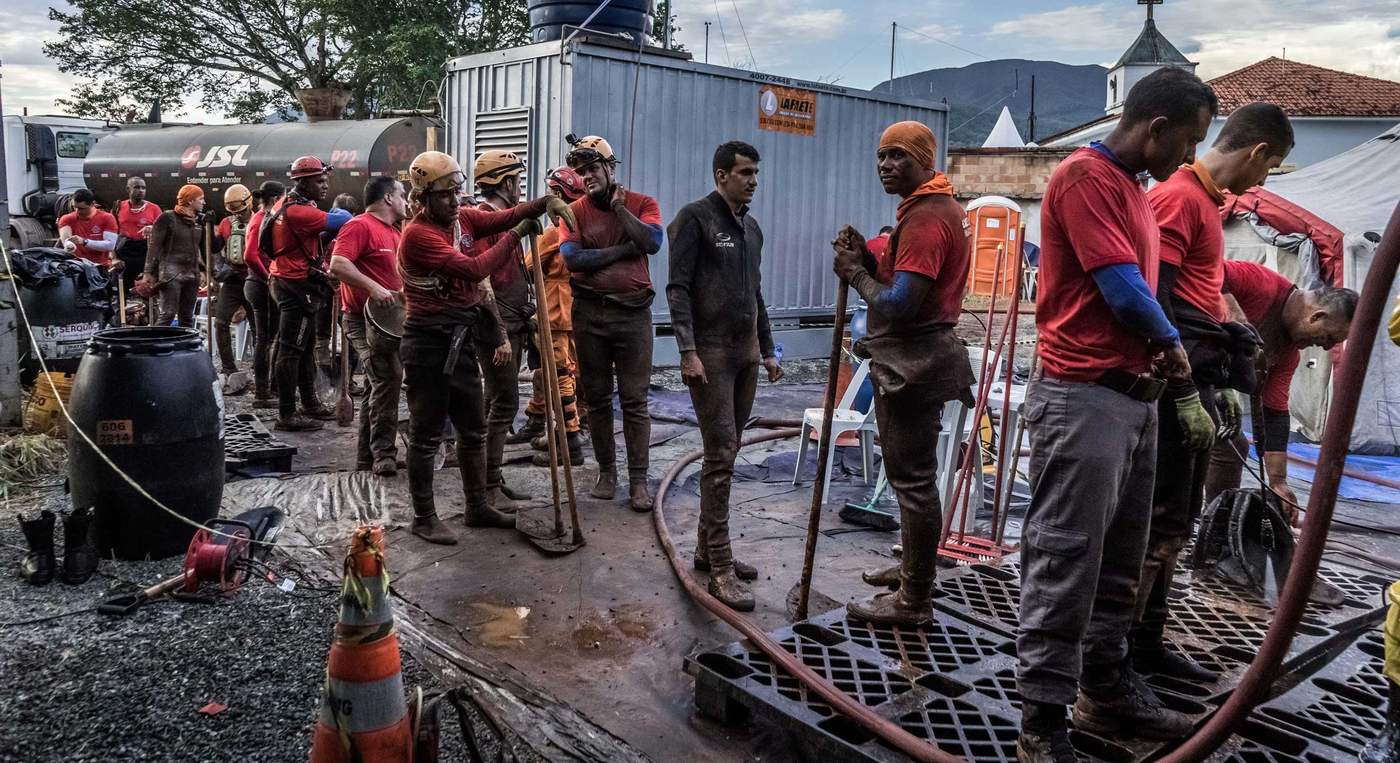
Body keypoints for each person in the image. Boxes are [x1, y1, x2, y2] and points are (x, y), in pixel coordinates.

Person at [1014, 67, 1216, 762]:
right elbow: (1125, 291)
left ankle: (1104, 684)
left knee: (1120, 563)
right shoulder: (1085, 178)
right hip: (1083, 397)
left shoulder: (1135, 192)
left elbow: (1141, 292)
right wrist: (1172, 344)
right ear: (1155, 127)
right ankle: (1042, 720)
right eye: (1187, 142)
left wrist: (1162, 360)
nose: (1189, 158)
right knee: (1066, 558)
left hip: (1132, 401)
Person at [1132, 103, 1297, 684]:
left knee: (1174, 526)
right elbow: (1157, 301)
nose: (1264, 180)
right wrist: (1183, 387)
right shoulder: (1178, 200)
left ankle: (1147, 644)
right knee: (1158, 526)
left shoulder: (1204, 205)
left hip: (1198, 377)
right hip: (1177, 383)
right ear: (1256, 154)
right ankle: (1125, 658)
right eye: (1270, 168)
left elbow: (1198, 295)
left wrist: (1225, 347)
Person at [829, 123, 974, 625]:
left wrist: (855, 274)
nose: (885, 165)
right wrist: (869, 258)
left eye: (897, 156)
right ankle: (913, 571)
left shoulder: (928, 218)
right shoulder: (931, 208)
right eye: (880, 156)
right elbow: (901, 282)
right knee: (913, 479)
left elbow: (902, 303)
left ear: (923, 160)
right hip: (918, 354)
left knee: (912, 483)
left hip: (916, 358)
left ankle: (914, 599)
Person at [397, 150, 573, 545]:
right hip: (428, 340)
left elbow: (503, 217)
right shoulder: (419, 235)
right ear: (424, 198)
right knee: (426, 434)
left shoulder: (462, 218)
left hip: (459, 336)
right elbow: (476, 269)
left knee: (474, 427)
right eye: (445, 195)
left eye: (457, 192)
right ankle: (424, 517)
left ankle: (477, 505)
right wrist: (517, 235)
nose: (454, 201)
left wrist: (544, 203)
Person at [667, 141, 784, 611]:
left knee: (729, 451)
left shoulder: (752, 229)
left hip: (746, 355)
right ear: (721, 176)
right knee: (721, 452)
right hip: (710, 357)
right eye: (745, 173)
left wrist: (770, 350)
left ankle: (704, 549)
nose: (753, 180)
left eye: (756, 172)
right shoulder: (694, 219)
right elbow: (677, 289)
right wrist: (687, 351)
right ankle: (719, 565)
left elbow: (756, 294)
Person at [1203, 261, 1356, 521]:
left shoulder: (1287, 355)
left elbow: (1274, 413)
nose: (1327, 348)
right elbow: (1208, 268)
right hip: (1170, 359)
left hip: (1208, 382)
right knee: (1215, 440)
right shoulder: (1262, 283)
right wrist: (1233, 313)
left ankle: (1215, 522)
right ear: (1316, 316)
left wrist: (1278, 482)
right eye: (1330, 337)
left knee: (1230, 443)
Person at [560, 135, 664, 512]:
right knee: (598, 397)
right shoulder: (574, 211)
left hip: (634, 315)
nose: (586, 176)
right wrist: (624, 249)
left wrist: (622, 212)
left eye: (592, 169)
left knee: (635, 400)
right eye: (581, 171)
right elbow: (573, 259)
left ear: (610, 168)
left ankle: (639, 481)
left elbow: (651, 241)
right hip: (590, 315)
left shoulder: (641, 203)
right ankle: (607, 472)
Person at [264, 156, 352, 432]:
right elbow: (343, 219)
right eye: (320, 181)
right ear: (302, 182)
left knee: (302, 349)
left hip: (290, 280)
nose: (325, 186)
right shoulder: (299, 212)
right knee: (291, 351)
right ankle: (287, 413)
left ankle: (310, 403)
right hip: (295, 286)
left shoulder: (288, 206)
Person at [328, 176, 408, 476]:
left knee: (380, 383)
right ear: (388, 198)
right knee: (387, 378)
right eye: (402, 195)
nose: (405, 201)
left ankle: (367, 456)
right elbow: (338, 264)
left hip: (390, 323)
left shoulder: (395, 233)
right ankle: (383, 454)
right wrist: (374, 288)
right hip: (362, 321)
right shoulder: (359, 226)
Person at [471, 150, 537, 506]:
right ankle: (488, 486)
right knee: (505, 402)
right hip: (496, 327)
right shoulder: (485, 221)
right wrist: (499, 334)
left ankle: (489, 478)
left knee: (492, 400)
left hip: (512, 321)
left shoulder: (502, 220)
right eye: (516, 180)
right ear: (506, 182)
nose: (519, 187)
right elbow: (483, 283)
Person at [520, 167, 588, 465]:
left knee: (560, 375)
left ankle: (569, 440)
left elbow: (527, 266)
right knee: (561, 373)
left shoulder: (553, 233)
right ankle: (544, 422)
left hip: (555, 313)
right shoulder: (586, 226)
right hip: (575, 312)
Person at [244, 181, 283, 409]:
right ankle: (263, 391)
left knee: (268, 338)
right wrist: (268, 276)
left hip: (259, 283)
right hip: (260, 285)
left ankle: (270, 388)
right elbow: (250, 255)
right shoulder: (260, 219)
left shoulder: (264, 217)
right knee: (264, 339)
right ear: (276, 198)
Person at [211, 184, 256, 384]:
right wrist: (207, 228)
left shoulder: (260, 220)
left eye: (241, 211)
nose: (238, 215)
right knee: (220, 322)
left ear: (249, 203)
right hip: (232, 279)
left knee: (259, 326)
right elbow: (215, 248)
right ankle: (229, 367)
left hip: (254, 279)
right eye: (234, 212)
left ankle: (260, 367)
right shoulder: (226, 223)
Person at [144, 184, 206, 327]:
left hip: (192, 273)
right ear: (190, 201)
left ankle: (186, 347)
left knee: (187, 317)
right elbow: (154, 247)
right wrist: (148, 272)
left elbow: (204, 249)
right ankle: (155, 346)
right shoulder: (168, 217)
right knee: (168, 314)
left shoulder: (198, 221)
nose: (204, 202)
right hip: (171, 273)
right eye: (201, 199)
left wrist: (207, 272)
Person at [114, 178, 162, 293]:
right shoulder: (118, 207)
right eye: (136, 187)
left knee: (146, 288)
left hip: (146, 253)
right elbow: (113, 234)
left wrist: (152, 228)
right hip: (125, 252)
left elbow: (163, 231)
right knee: (122, 290)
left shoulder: (154, 209)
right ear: (128, 189)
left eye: (143, 188)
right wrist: (114, 258)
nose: (140, 190)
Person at [57, 189, 118, 268]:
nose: (77, 211)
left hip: (100, 266)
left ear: (92, 204)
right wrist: (69, 244)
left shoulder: (107, 218)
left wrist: (84, 242)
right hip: (76, 267)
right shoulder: (67, 219)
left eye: (81, 208)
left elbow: (110, 245)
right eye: (75, 207)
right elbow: (66, 240)